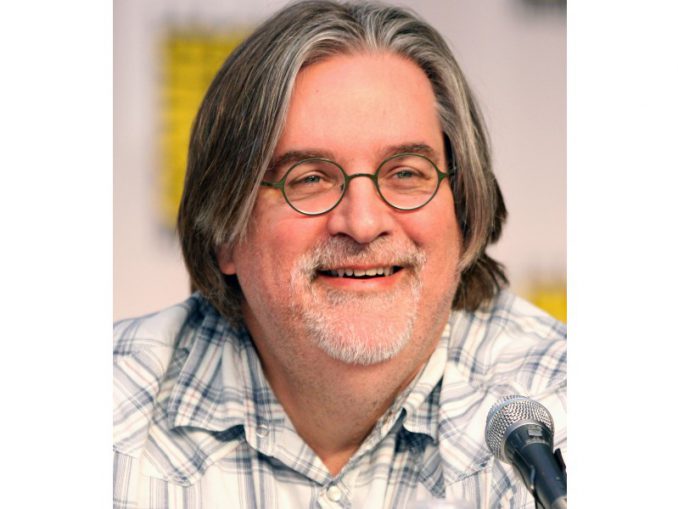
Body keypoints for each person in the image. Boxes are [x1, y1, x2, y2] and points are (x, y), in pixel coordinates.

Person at [113, 1, 566, 507]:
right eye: (310, 179)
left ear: (462, 211)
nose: (364, 223)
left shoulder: (563, 414)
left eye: (406, 173)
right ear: (225, 231)